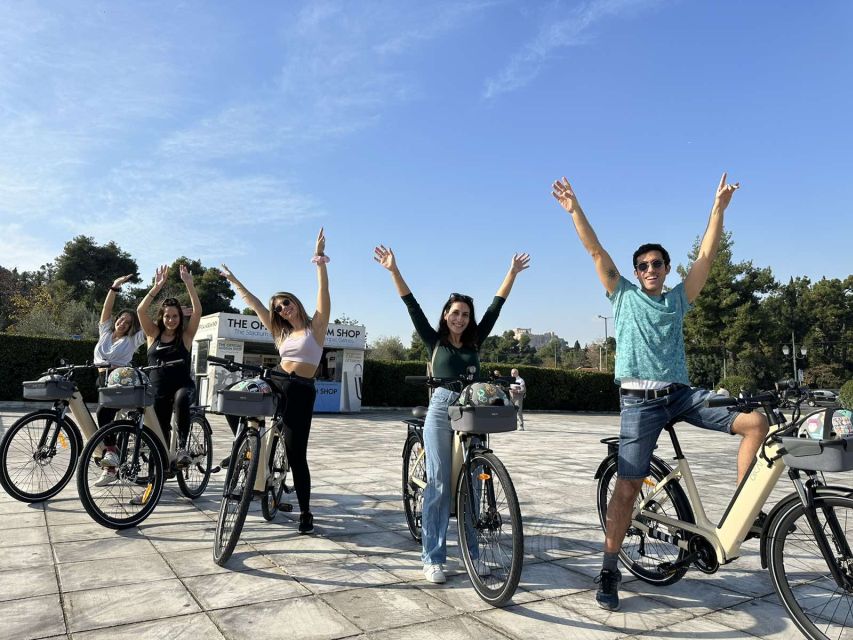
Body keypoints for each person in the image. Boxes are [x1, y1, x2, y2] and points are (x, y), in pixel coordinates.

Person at [552, 172, 768, 611]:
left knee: (757, 422)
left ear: (667, 270)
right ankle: (609, 567)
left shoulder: (678, 299)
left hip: (681, 395)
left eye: (657, 264)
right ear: (635, 272)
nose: (650, 270)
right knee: (628, 488)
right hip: (638, 403)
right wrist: (576, 210)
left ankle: (747, 512)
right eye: (644, 265)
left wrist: (718, 210)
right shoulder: (622, 295)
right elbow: (595, 250)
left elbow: (707, 255)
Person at [373, 244, 530, 584]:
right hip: (442, 408)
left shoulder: (475, 342)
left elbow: (495, 308)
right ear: (445, 315)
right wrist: (393, 270)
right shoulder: (436, 342)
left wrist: (512, 273)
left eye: (465, 314)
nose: (460, 318)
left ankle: (472, 555)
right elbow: (411, 305)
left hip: (473, 407)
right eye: (455, 312)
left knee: (473, 482)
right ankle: (433, 557)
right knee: (441, 484)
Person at [220, 228, 330, 534]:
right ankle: (246, 448)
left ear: (295, 302)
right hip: (276, 380)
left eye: (286, 303)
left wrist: (319, 258)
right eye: (278, 306)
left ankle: (306, 511)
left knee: (296, 453)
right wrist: (234, 280)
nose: (282, 308)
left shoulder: (315, 327)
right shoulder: (279, 331)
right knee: (233, 399)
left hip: (301, 390)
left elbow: (324, 293)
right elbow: (254, 302)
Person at [137, 264, 202, 473]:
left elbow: (198, 311)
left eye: (175, 316)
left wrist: (189, 285)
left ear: (180, 318)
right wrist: (157, 287)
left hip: (183, 386)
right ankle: (159, 474)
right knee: (159, 433)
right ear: (162, 317)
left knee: (182, 399)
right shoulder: (152, 334)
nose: (171, 320)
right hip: (158, 391)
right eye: (167, 316)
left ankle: (182, 448)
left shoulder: (185, 336)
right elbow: (140, 310)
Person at [92, 274, 146, 486]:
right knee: (103, 421)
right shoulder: (104, 331)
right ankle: (110, 458)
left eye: (129, 322)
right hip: (100, 379)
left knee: (103, 412)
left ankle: (112, 457)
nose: (124, 322)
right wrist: (114, 287)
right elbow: (106, 310)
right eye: (122, 318)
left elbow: (150, 327)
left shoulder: (132, 340)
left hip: (119, 382)